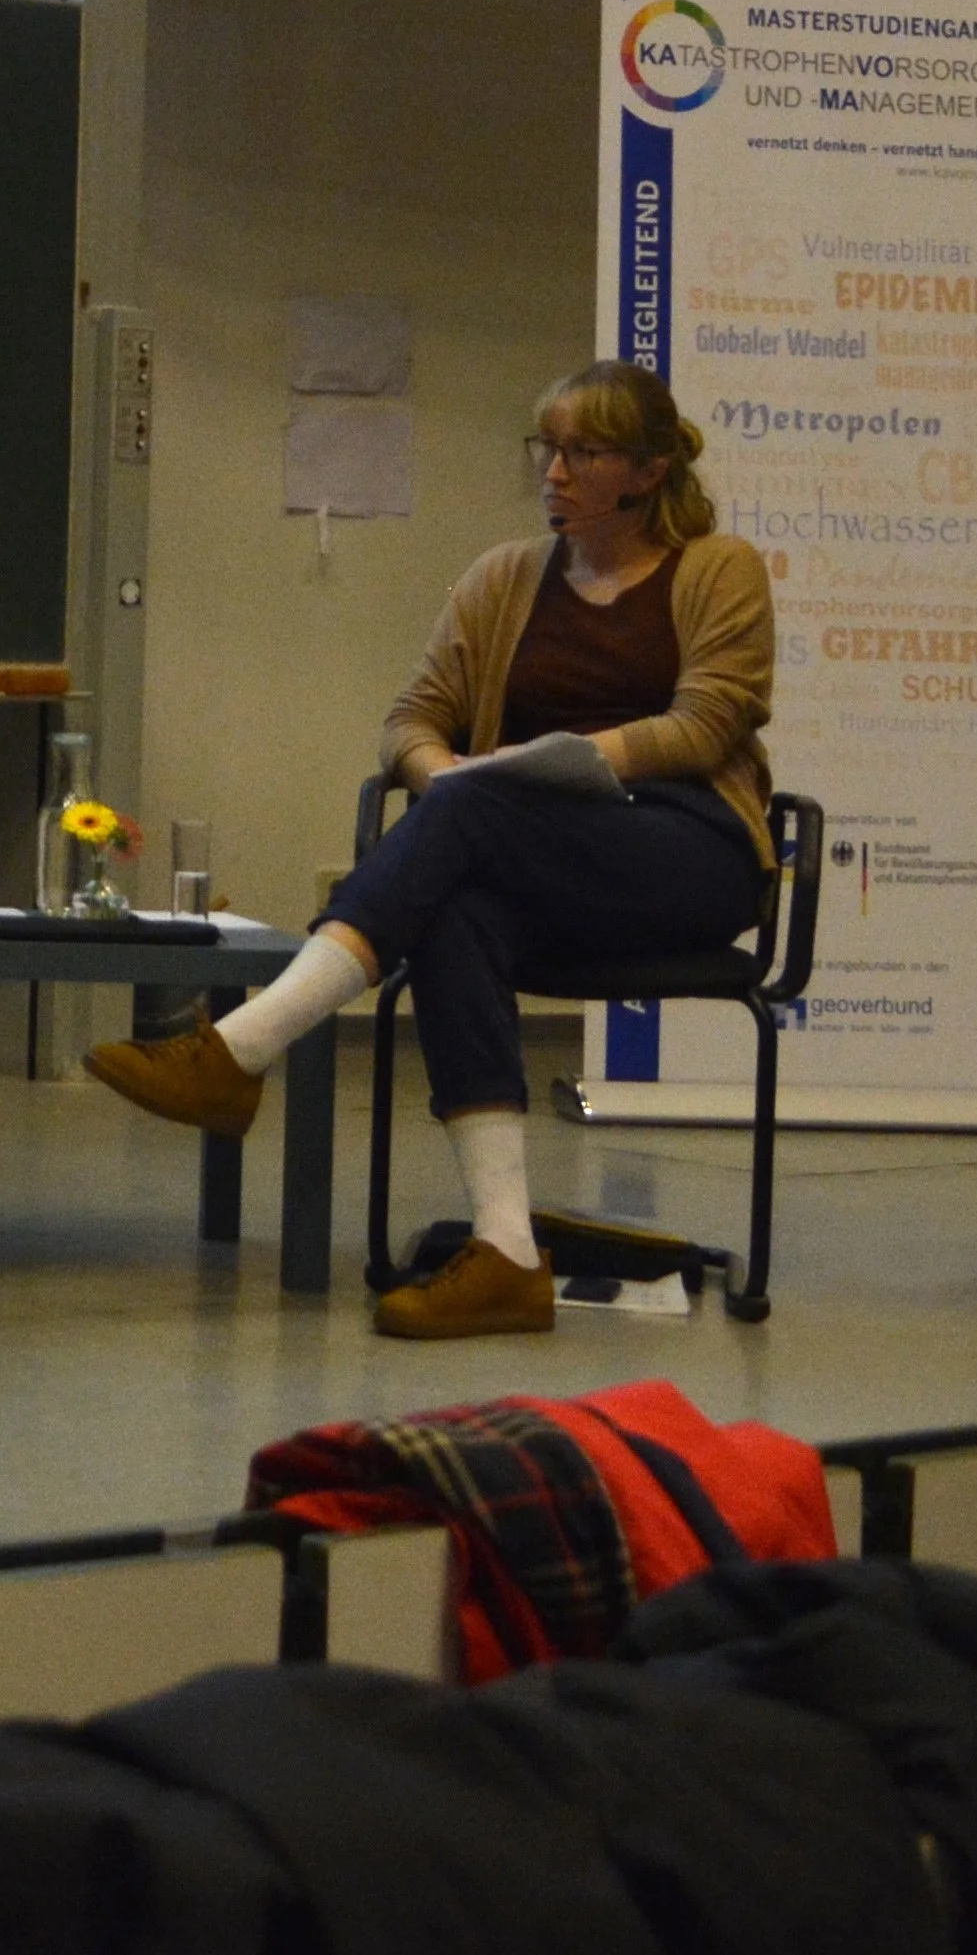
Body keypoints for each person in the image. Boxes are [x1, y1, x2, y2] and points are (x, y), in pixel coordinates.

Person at [88, 360, 776, 1341]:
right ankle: (506, 1253)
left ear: (649, 468)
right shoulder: (504, 578)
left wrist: (551, 764)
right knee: (456, 900)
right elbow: (411, 720)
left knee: (468, 808)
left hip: (686, 848)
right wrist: (444, 768)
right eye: (546, 447)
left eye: (582, 452)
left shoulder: (719, 567)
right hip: (535, 856)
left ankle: (240, 1047)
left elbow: (706, 726)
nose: (554, 472)